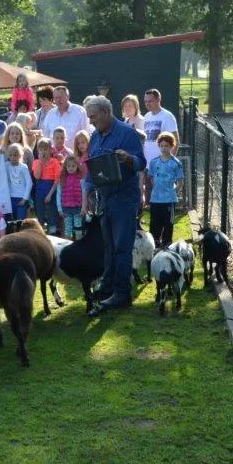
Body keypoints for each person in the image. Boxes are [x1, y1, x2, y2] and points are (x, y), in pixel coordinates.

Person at [84, 95, 146, 316]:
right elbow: (91, 168)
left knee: (122, 247)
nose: (91, 121)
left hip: (124, 199)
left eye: (93, 117)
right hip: (105, 199)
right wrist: (87, 193)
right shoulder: (95, 136)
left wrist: (128, 158)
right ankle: (108, 287)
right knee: (109, 246)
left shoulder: (127, 133)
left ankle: (122, 293)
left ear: (106, 112)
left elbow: (141, 163)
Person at [148, 132, 184, 248]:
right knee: (154, 224)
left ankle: (167, 246)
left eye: (167, 146)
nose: (164, 148)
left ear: (171, 146)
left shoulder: (176, 163)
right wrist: (157, 189)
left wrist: (173, 192)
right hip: (155, 199)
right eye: (162, 146)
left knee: (168, 224)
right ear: (159, 146)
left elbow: (180, 182)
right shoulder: (154, 162)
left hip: (169, 200)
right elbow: (151, 178)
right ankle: (155, 245)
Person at [32, 137, 61, 235]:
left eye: (45, 149)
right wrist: (40, 162)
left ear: (50, 150)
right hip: (40, 190)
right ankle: (41, 232)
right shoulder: (36, 162)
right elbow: (37, 176)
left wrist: (50, 194)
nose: (43, 151)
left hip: (51, 190)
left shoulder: (55, 162)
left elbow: (57, 180)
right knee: (40, 213)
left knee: (52, 212)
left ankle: (52, 232)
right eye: (41, 149)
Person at [57, 154, 84, 240]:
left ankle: (79, 244)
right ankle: (67, 244)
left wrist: (83, 208)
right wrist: (60, 209)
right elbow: (58, 195)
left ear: (77, 166)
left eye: (73, 166)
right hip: (66, 209)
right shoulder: (62, 179)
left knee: (78, 228)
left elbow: (84, 194)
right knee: (68, 229)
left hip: (77, 208)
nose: (71, 168)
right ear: (65, 167)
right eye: (68, 166)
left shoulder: (81, 179)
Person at [6, 144, 32, 221]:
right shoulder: (6, 165)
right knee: (11, 221)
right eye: (11, 155)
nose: (13, 157)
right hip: (10, 198)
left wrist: (25, 198)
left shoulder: (23, 167)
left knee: (20, 221)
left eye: (15, 155)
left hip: (21, 198)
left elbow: (29, 183)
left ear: (20, 155)